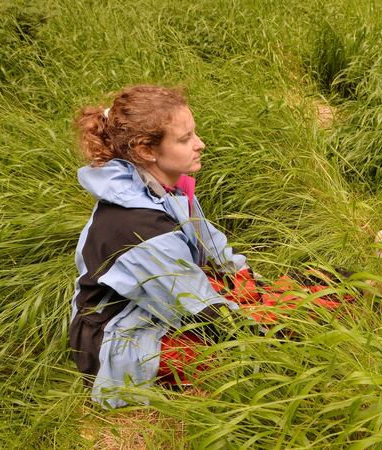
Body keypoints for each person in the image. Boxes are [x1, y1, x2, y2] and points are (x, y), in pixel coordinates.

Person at [70, 85, 254, 408]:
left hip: (152, 304)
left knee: (254, 296)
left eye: (194, 134)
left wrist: (246, 278)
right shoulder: (137, 226)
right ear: (145, 150)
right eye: (185, 139)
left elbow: (212, 245)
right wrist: (261, 333)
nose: (200, 144)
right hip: (112, 339)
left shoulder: (167, 187)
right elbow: (200, 309)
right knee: (230, 356)